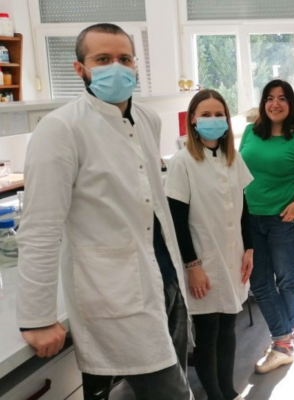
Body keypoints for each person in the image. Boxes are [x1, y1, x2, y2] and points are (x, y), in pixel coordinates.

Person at [16, 23, 193, 400]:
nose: (117, 66)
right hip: (111, 292)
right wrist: (37, 316)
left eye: (124, 58)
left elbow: (151, 203)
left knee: (171, 373)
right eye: (103, 59)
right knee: (172, 393)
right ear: (80, 69)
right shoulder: (60, 129)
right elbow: (40, 227)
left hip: (165, 278)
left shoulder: (147, 119)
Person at [165, 89, 254, 400]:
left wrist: (250, 250)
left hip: (233, 258)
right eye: (206, 114)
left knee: (229, 327)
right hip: (203, 262)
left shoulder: (233, 157)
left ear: (227, 121)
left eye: (219, 114)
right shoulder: (183, 162)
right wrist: (192, 267)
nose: (213, 120)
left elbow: (244, 207)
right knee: (208, 333)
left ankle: (227, 390)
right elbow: (176, 221)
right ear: (193, 120)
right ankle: (214, 394)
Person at [239, 79, 294, 374]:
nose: (275, 103)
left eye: (282, 98)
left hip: (285, 221)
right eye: (270, 98)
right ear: (263, 103)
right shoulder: (249, 133)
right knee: (260, 283)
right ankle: (285, 338)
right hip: (251, 218)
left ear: (291, 105)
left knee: (285, 280)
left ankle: (283, 342)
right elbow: (239, 172)